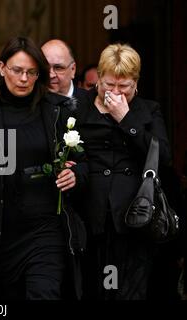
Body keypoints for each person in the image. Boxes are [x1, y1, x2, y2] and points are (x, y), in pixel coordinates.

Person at [0, 36, 88, 300]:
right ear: (2, 68)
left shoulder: (56, 109)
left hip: (46, 227)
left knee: (44, 293)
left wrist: (75, 175)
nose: (24, 78)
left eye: (31, 72)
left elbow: (83, 161)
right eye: (17, 70)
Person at [76, 43, 171, 300]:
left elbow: (162, 156)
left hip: (134, 219)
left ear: (135, 84)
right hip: (90, 218)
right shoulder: (78, 108)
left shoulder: (147, 110)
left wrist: (126, 119)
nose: (115, 92)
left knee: (130, 293)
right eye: (108, 85)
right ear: (98, 80)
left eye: (124, 87)